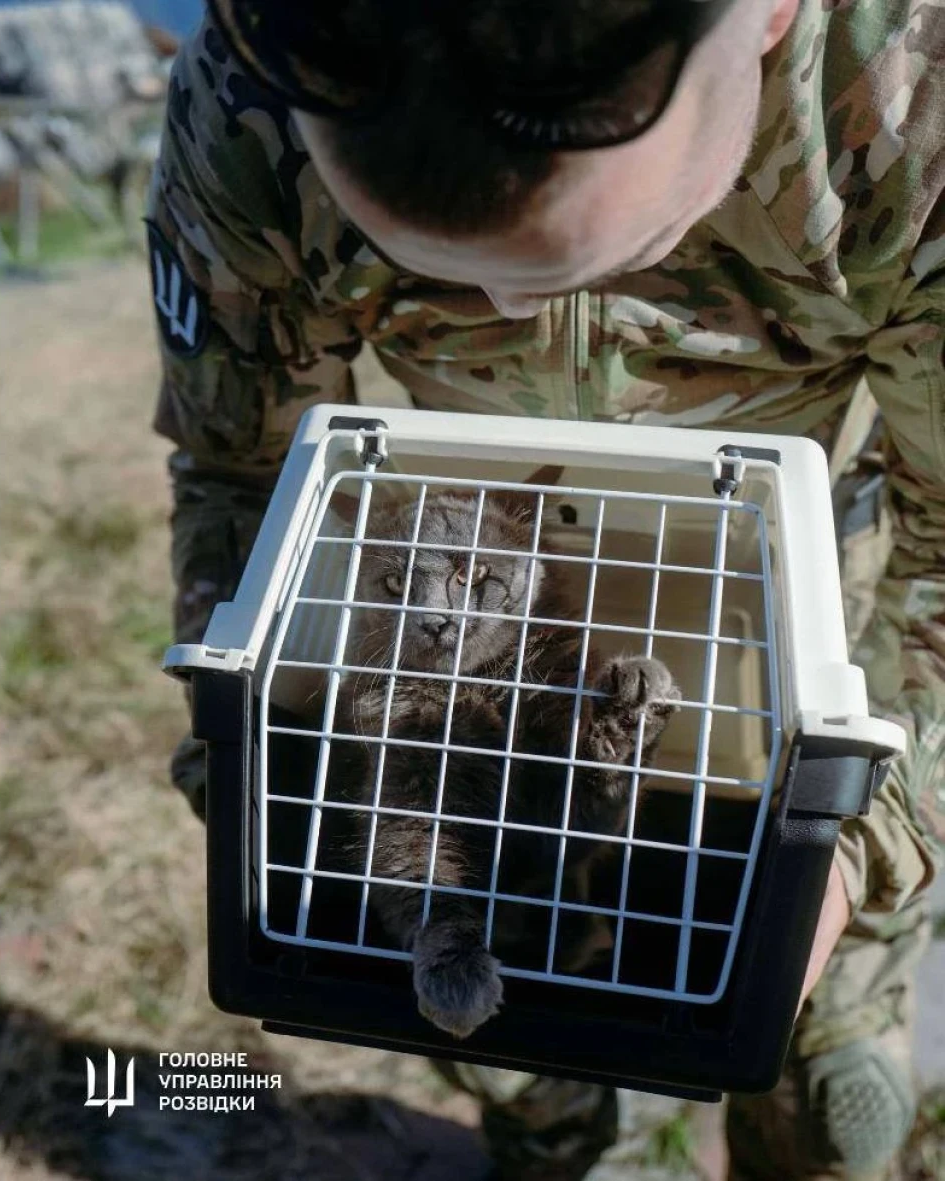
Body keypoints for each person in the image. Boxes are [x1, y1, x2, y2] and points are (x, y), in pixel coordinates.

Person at [146, 1, 944, 1177]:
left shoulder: (913, 99)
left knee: (828, 1092)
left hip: (814, 614)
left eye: (604, 258)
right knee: (513, 1042)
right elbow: (239, 470)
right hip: (459, 635)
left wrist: (864, 839)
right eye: (435, 274)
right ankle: (551, 1127)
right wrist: (254, 748)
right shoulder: (250, 97)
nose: (506, 314)